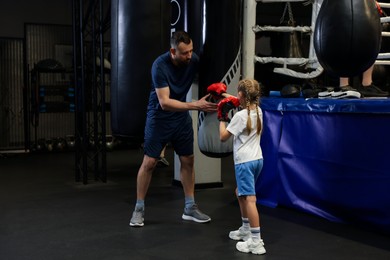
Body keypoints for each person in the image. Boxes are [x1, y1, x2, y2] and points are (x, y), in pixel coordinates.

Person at [129, 31, 217, 227]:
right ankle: (139, 208)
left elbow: (209, 82)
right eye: (184, 53)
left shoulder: (192, 60)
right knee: (150, 162)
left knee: (188, 160)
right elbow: (165, 102)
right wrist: (195, 106)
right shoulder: (159, 66)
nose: (189, 56)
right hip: (160, 117)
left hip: (180, 118)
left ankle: (189, 207)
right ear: (172, 51)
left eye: (191, 51)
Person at [218, 79, 266, 255]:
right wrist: (224, 96)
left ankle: (256, 241)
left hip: (244, 163)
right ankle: (246, 228)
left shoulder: (239, 117)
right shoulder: (259, 111)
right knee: (240, 193)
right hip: (257, 160)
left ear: (241, 95)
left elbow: (223, 137)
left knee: (250, 200)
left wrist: (221, 116)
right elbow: (243, 100)